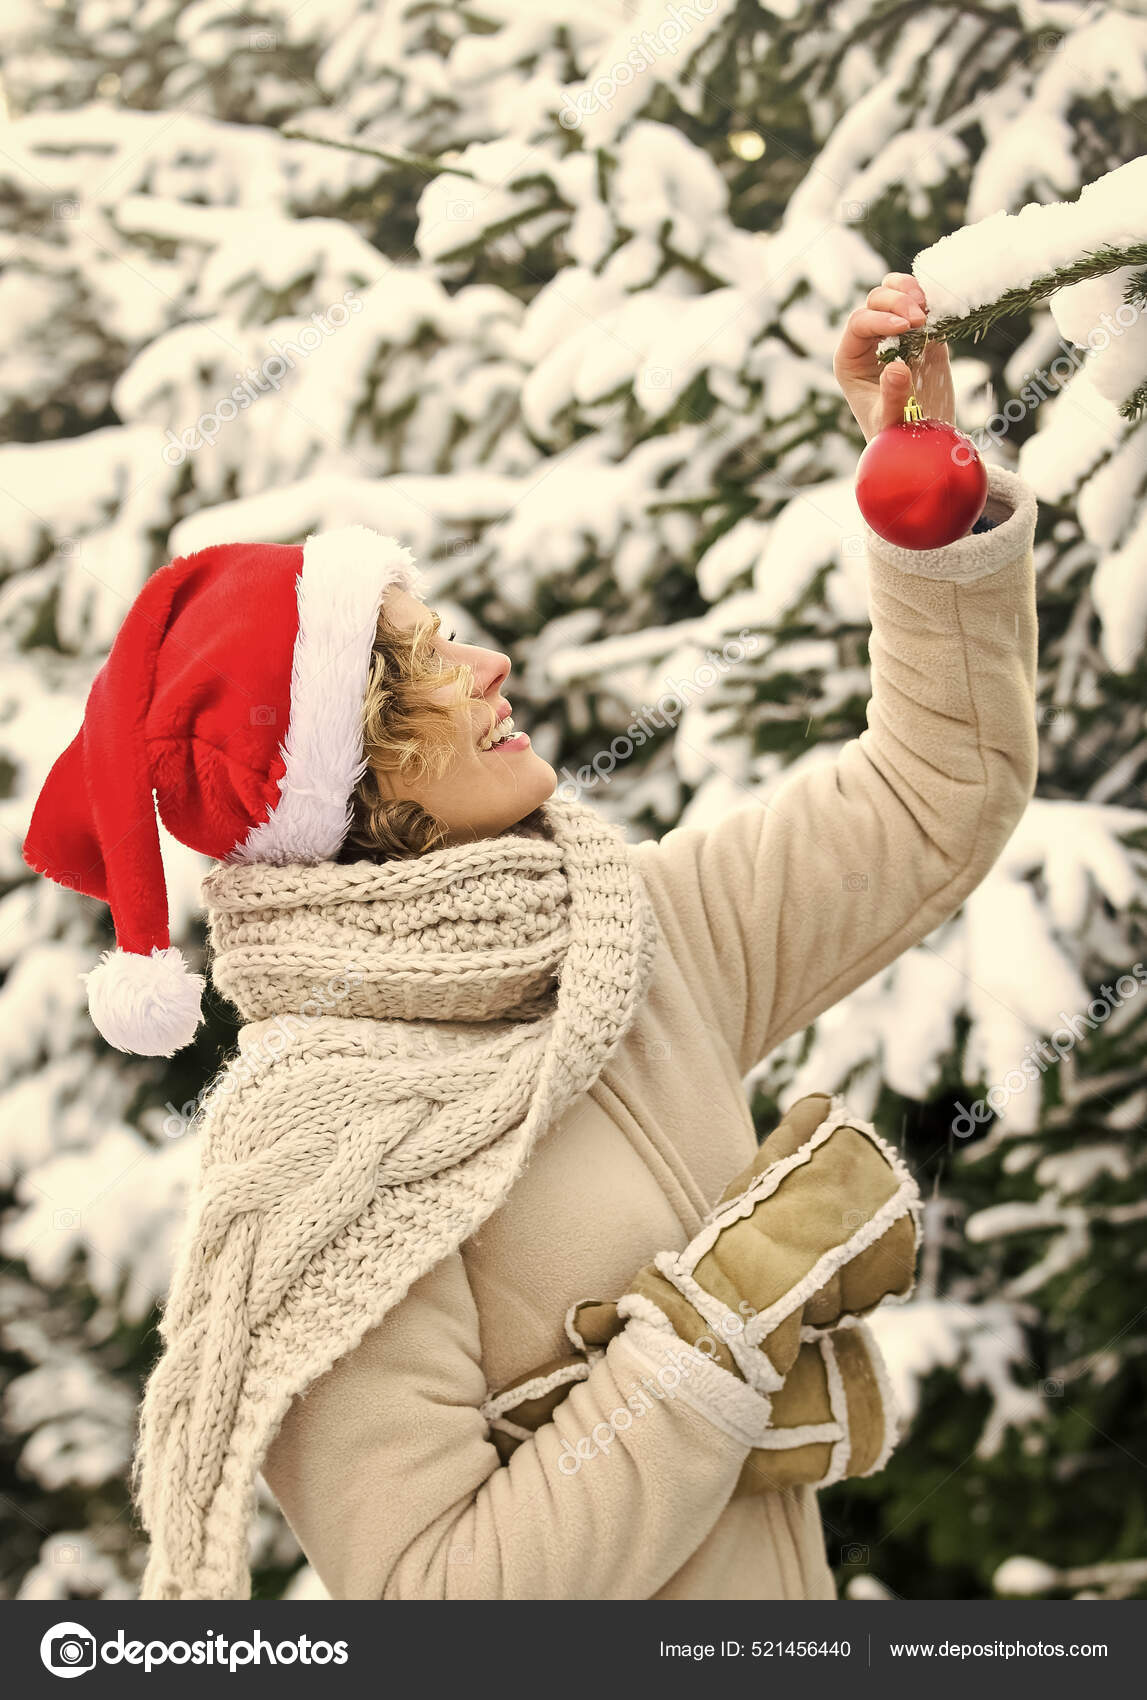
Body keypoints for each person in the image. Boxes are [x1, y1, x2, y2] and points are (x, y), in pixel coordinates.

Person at [22, 274, 1037, 1600]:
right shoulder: (320, 1152)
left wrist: (927, 514)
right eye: (428, 666)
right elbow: (441, 1605)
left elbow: (937, 790)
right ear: (358, 782)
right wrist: (713, 1332)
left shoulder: (632, 942)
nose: (490, 667)